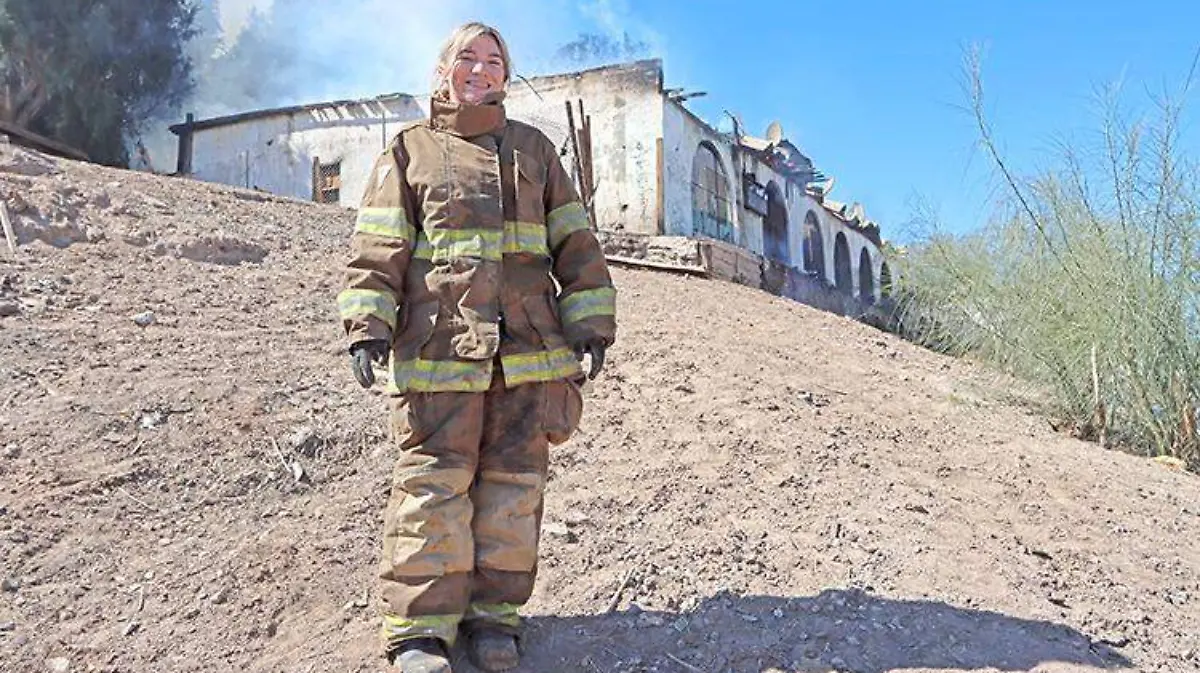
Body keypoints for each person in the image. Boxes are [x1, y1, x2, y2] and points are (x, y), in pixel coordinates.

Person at [336, 21, 617, 673]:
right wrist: (368, 326)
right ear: (444, 69)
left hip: (528, 356)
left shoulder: (535, 151)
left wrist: (590, 321)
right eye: (468, 57)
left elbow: (576, 244)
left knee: (513, 489)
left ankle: (494, 618)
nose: (480, 70)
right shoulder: (409, 151)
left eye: (494, 61)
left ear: (505, 77)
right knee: (432, 485)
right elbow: (378, 249)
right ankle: (420, 630)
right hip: (440, 351)